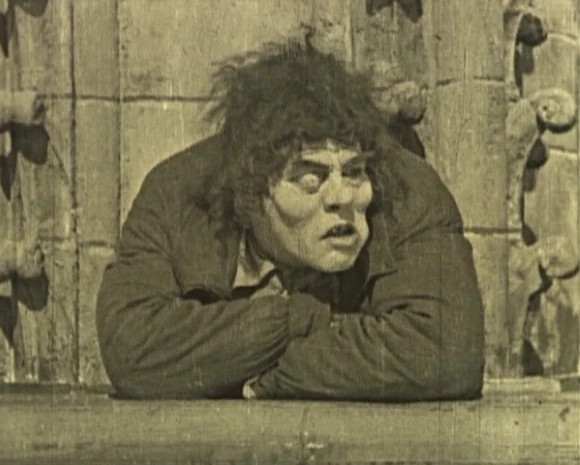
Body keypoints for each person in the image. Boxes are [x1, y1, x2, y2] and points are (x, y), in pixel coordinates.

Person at [95, 39, 484, 400]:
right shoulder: (177, 195)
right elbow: (131, 349)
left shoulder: (407, 191)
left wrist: (272, 376)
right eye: (310, 179)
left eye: (354, 172)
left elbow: (448, 353)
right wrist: (297, 318)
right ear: (251, 195)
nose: (342, 197)